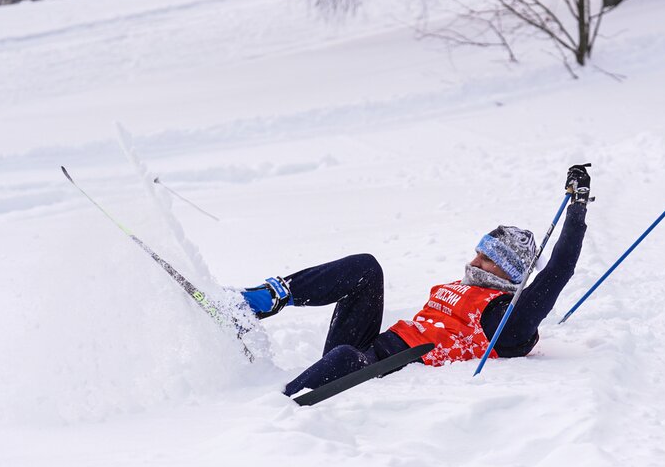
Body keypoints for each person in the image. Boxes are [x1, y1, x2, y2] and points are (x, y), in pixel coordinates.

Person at [242, 165, 592, 396]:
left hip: (376, 372)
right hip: (365, 350)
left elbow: (558, 270)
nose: (475, 261)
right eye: (478, 252)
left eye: (487, 258)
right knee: (365, 267)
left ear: (508, 271)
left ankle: (276, 404)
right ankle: (260, 301)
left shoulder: (506, 318)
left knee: (346, 356)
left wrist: (577, 207)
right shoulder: (464, 288)